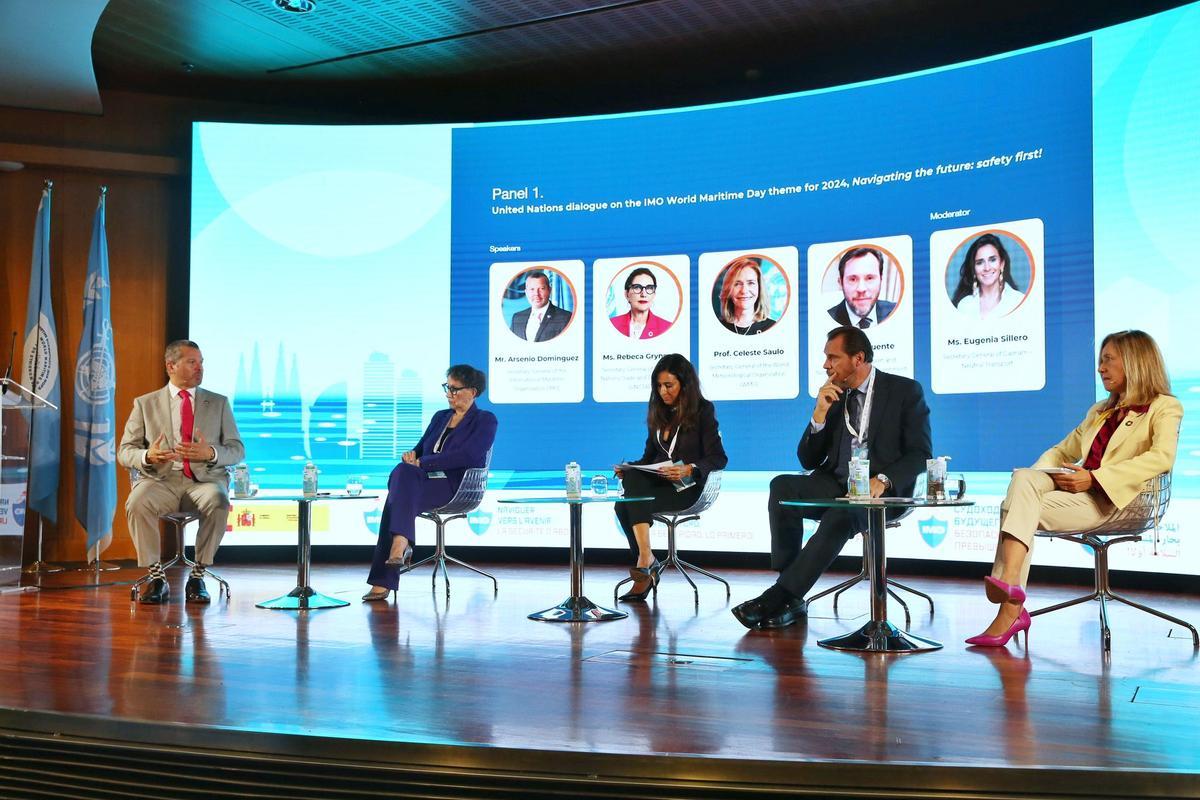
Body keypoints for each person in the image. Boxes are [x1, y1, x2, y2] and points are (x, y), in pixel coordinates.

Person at [967, 330, 1182, 647]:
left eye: (1108, 360)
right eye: (1100, 361)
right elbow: (1062, 451)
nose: (1100, 368)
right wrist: (1037, 478)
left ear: (1135, 362)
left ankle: (1010, 602)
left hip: (1120, 501)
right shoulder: (1099, 411)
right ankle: (1010, 588)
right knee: (1024, 480)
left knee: (1015, 507)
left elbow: (1161, 458)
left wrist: (1095, 478)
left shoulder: (1165, 407)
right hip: (1080, 497)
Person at [732, 326, 931, 629]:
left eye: (832, 358)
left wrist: (884, 479)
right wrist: (819, 415)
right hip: (837, 483)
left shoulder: (904, 391)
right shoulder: (835, 395)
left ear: (858, 358)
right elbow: (808, 460)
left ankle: (779, 596)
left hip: (883, 492)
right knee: (782, 488)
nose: (826, 365)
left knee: (842, 514)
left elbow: (920, 453)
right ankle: (792, 593)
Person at [117, 340, 244, 604]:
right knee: (137, 502)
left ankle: (197, 576)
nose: (200, 368)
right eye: (192, 362)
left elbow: (237, 449)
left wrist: (210, 453)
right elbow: (125, 451)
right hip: (161, 479)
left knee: (218, 501)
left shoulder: (218, 403)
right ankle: (156, 578)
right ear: (171, 366)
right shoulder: (145, 404)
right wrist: (147, 456)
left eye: (201, 362)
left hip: (204, 480)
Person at [363, 364, 498, 602]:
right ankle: (400, 544)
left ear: (473, 392)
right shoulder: (440, 417)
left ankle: (386, 573)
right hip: (422, 482)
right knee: (402, 474)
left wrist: (423, 463)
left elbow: (469, 456)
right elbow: (421, 447)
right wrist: (412, 457)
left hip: (456, 487)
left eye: (455, 389)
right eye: (447, 387)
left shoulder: (485, 420)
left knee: (396, 498)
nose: (449, 394)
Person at [614, 354, 728, 601]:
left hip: (689, 487)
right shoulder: (658, 414)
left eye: (669, 385)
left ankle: (646, 563)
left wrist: (690, 468)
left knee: (628, 503)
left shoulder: (703, 411)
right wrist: (629, 467)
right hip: (663, 485)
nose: (663, 392)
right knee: (625, 498)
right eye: (658, 386)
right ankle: (646, 557)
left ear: (684, 385)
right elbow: (648, 458)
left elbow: (718, 458)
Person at [950, 233, 1024, 320]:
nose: (987, 268)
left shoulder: (1019, 300)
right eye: (979, 262)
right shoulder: (964, 305)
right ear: (973, 268)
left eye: (992, 260)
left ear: (1002, 264)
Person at [826, 247, 897, 328]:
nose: (861, 289)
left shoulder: (896, 312)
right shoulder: (825, 321)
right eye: (853, 279)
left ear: (881, 280)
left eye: (869, 278)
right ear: (841, 283)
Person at [715, 257, 776, 335]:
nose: (744, 291)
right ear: (728, 290)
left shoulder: (772, 327)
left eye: (751, 283)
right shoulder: (716, 328)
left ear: (759, 287)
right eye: (737, 284)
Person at [609, 266, 673, 339]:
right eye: (637, 287)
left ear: (654, 294)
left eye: (649, 288)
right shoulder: (612, 324)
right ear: (627, 294)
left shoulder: (667, 327)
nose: (643, 294)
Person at [509, 271, 570, 342]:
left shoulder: (565, 318)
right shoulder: (517, 318)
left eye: (541, 289)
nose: (536, 294)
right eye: (532, 289)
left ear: (549, 290)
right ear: (526, 292)